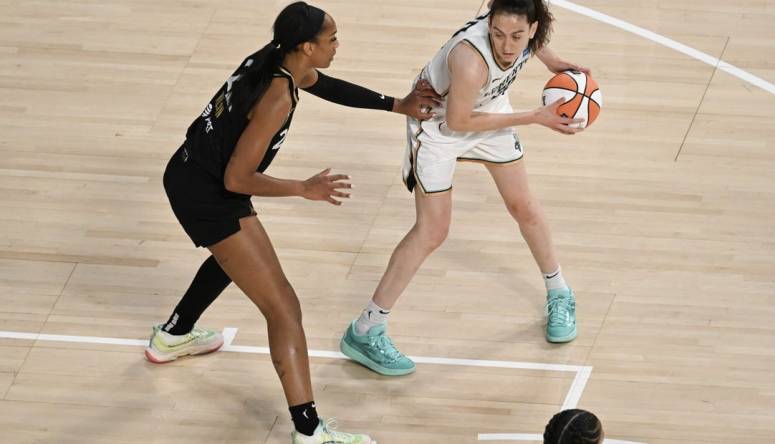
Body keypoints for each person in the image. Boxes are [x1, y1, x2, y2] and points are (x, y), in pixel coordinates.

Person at [143, 2, 439, 443]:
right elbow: (238, 177)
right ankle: (309, 430)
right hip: (208, 192)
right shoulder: (277, 97)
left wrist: (397, 105)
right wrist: (304, 188)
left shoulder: (276, 59)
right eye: (332, 38)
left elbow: (325, 85)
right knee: (283, 307)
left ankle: (174, 334)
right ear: (307, 45)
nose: (338, 45)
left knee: (238, 258)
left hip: (192, 173)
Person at [340, 0, 591, 377]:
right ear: (488, 24)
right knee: (432, 231)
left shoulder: (527, 36)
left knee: (523, 206)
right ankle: (366, 329)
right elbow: (458, 120)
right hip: (440, 125)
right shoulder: (469, 60)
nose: (507, 45)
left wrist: (552, 61)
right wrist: (535, 117)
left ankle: (559, 292)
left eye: (518, 36)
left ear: (534, 29)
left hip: (487, 109)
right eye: (499, 34)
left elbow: (527, 44)